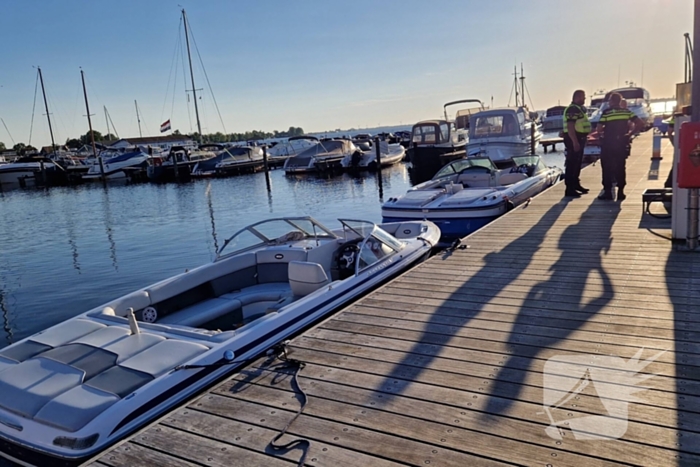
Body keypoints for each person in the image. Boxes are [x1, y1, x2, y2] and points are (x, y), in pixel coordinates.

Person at [597, 92, 643, 201]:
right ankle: (621, 192)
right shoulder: (626, 112)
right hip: (622, 142)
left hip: (609, 143)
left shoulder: (607, 112)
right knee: (621, 166)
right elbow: (640, 123)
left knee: (607, 167)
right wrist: (630, 134)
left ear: (612, 101)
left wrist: (604, 130)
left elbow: (599, 128)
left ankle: (608, 192)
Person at [562, 90, 592, 197]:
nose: (584, 99)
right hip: (573, 139)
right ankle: (569, 188)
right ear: (577, 97)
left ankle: (576, 184)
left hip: (579, 138)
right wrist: (575, 142)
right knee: (572, 164)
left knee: (577, 163)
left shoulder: (579, 109)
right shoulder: (573, 109)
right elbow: (570, 126)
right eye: (583, 97)